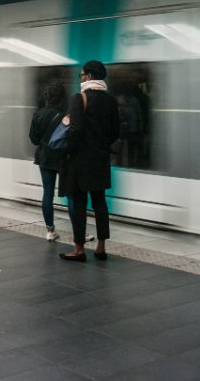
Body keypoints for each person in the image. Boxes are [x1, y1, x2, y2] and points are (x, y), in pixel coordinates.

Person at [59, 61, 121, 262]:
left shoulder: (79, 98)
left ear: (89, 76)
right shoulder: (111, 101)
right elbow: (115, 132)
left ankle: (79, 249)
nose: (81, 78)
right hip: (100, 160)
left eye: (82, 75)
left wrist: (68, 149)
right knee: (100, 203)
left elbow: (75, 130)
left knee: (79, 204)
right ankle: (101, 247)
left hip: (79, 161)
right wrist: (101, 145)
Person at [29, 82, 69, 241]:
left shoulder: (38, 114)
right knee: (71, 195)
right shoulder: (65, 116)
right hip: (63, 158)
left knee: (48, 193)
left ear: (46, 97)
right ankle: (79, 233)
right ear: (61, 98)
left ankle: (50, 231)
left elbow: (33, 139)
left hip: (45, 157)